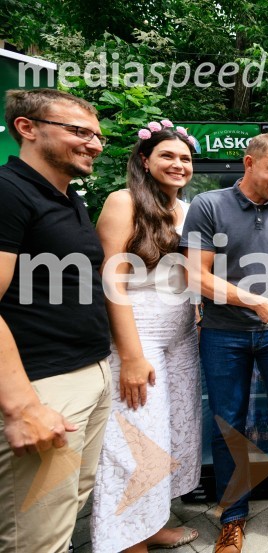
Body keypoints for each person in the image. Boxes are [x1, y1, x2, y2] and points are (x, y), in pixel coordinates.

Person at [181, 132, 268, 553]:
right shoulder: (209, 206)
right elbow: (195, 276)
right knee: (228, 427)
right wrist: (252, 300)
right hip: (223, 334)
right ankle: (233, 517)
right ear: (249, 163)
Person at [0, 89, 112, 551]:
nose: (94, 143)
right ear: (27, 128)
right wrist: (22, 406)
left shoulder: (67, 198)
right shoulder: (8, 192)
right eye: (79, 131)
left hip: (90, 372)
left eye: (97, 135)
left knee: (66, 510)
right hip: (44, 384)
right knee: (35, 535)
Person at [90, 123, 202, 552]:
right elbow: (110, 282)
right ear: (144, 160)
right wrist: (131, 356)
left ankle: (151, 524)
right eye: (168, 156)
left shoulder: (188, 210)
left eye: (185, 159)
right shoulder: (123, 202)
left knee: (170, 436)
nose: (178, 165)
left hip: (181, 337)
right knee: (133, 440)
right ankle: (124, 540)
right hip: (138, 339)